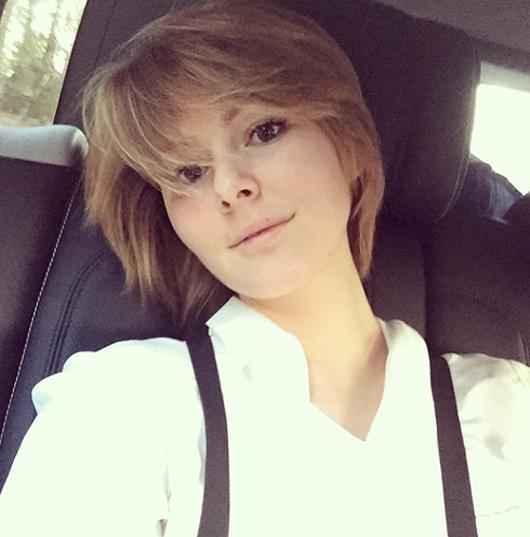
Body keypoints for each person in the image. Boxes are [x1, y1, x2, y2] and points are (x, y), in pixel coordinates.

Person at [0, 1, 529, 536]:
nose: (230, 188)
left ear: (346, 142)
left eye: (264, 131)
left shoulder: (510, 405)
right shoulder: (120, 405)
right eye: (189, 173)